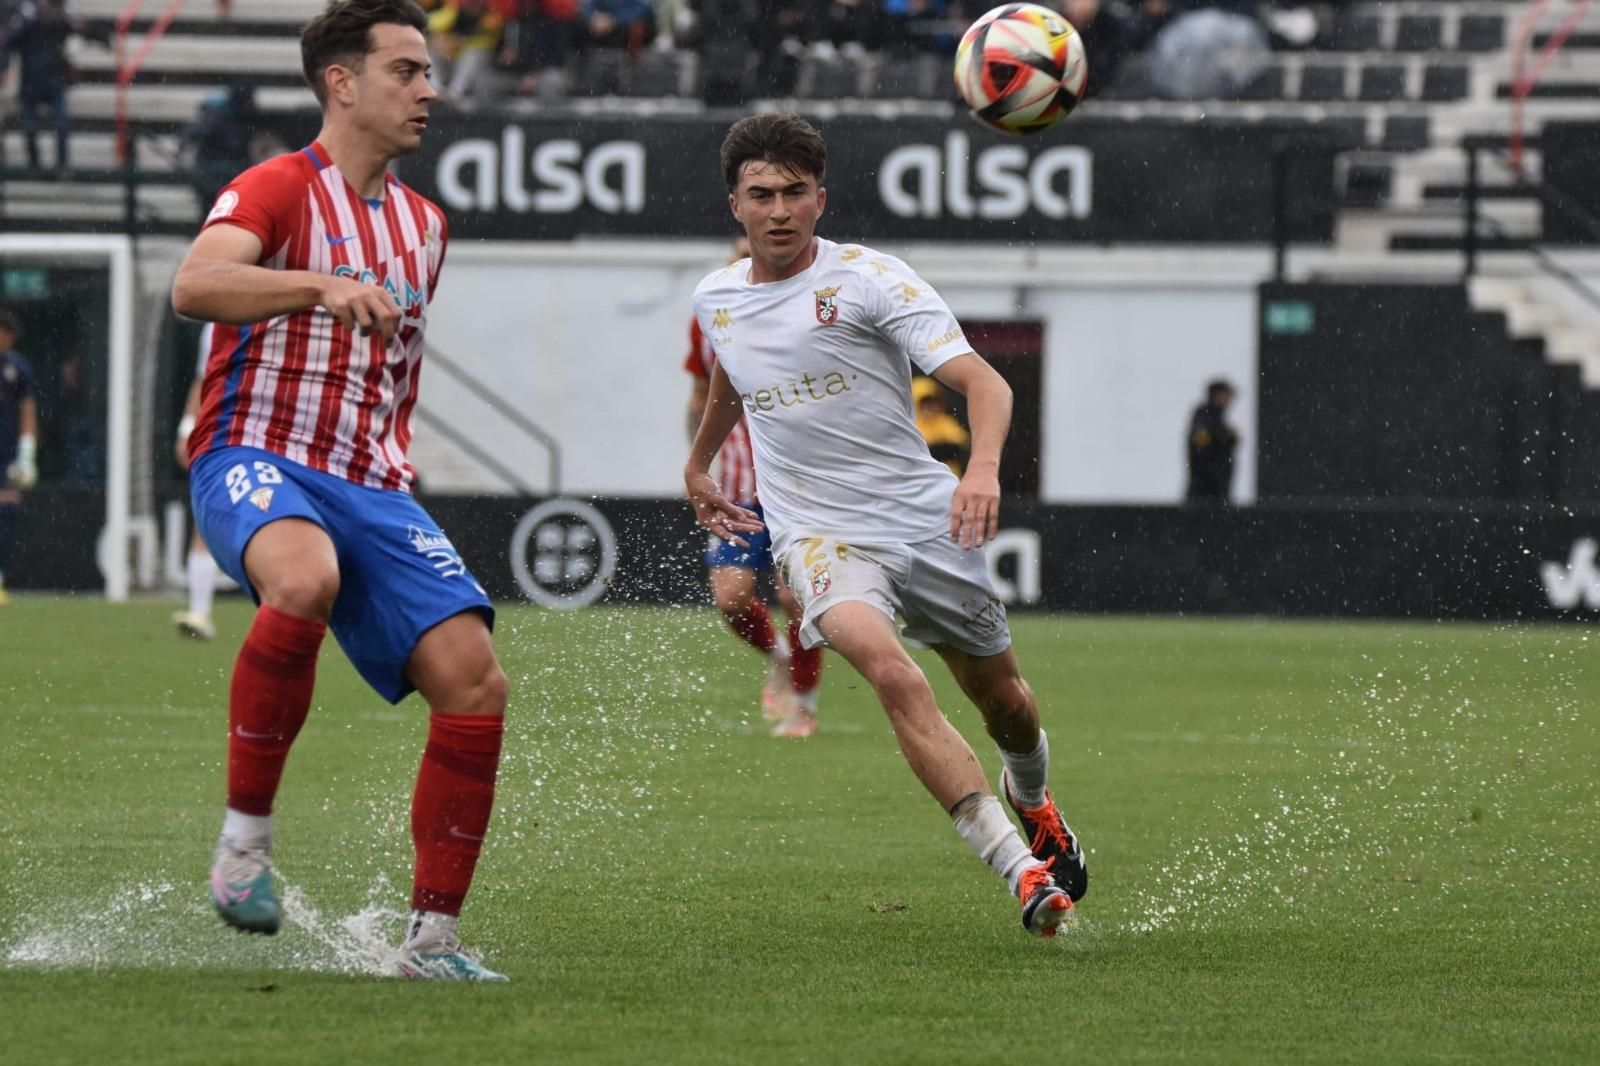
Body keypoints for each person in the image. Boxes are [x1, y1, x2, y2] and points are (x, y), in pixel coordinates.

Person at [169, 0, 508, 981]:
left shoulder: (425, 226)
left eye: (428, 71)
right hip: (255, 450)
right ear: (342, 83)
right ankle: (243, 848)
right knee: (303, 578)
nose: (428, 90)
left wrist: (393, 475)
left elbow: (395, 372)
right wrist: (318, 284)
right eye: (406, 70)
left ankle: (432, 943)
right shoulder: (275, 185)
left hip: (370, 479)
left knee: (476, 680)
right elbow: (195, 284)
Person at [685, 113, 1087, 937]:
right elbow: (734, 372)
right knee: (893, 675)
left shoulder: (872, 281)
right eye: (761, 195)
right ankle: (1021, 871)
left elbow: (987, 385)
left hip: (922, 520)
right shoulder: (715, 297)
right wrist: (699, 462)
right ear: (735, 205)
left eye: (795, 192)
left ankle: (1033, 797)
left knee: (1005, 702)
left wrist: (982, 470)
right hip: (818, 537)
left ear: (821, 198)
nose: (779, 211)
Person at [685, 237, 825, 738]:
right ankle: (779, 657)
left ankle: (803, 704)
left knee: (796, 598)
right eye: (739, 256)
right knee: (731, 598)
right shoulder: (709, 321)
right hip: (738, 489)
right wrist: (699, 465)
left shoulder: (804, 316)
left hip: (797, 488)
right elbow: (700, 395)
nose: (747, 262)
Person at [0, 0, 112, 175]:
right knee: (30, 128)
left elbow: (84, 28)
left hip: (54, 80)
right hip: (31, 80)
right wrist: (4, 66)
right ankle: (34, 167)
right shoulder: (28, 15)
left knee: (61, 125)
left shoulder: (61, 15)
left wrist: (107, 39)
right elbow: (9, 40)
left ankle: (62, 166)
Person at [171, 323, 220, 640]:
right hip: (224, 435)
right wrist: (186, 429)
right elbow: (203, 381)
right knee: (205, 520)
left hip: (274, 438)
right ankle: (199, 612)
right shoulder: (216, 325)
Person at [0, 309, 39, 606]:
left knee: (7, 513)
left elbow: (28, 411)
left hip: (7, 453)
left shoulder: (18, 369)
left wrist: (27, 454)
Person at [1185, 377, 1239, 504]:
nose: (1229, 400)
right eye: (1227, 395)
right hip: (1206, 491)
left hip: (1213, 491)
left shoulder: (1215, 417)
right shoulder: (1205, 415)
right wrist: (1222, 435)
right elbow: (1201, 443)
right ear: (1217, 395)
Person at [912, 374, 970, 476]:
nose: (928, 409)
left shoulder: (946, 422)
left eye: (931, 403)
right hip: (921, 477)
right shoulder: (912, 426)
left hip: (949, 477)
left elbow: (962, 444)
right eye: (923, 404)